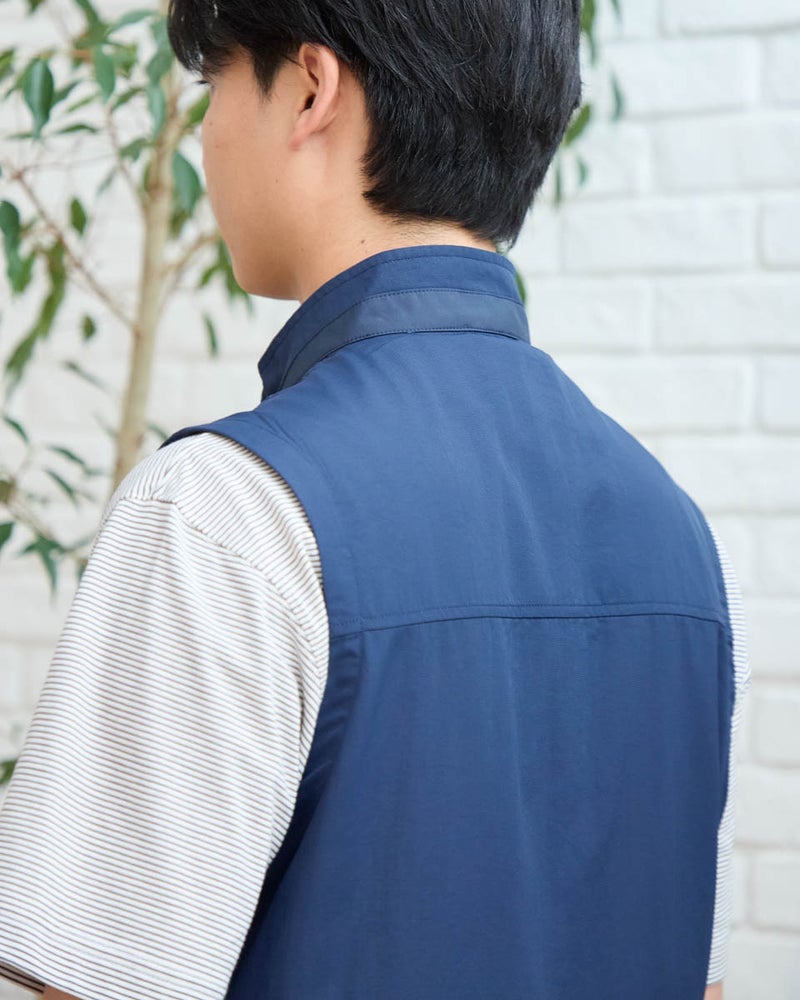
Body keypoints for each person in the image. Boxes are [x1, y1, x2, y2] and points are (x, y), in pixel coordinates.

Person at [0, 1, 750, 998]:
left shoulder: (227, 510)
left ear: (310, 90)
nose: (206, 136)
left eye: (215, 85)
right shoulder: (679, 539)